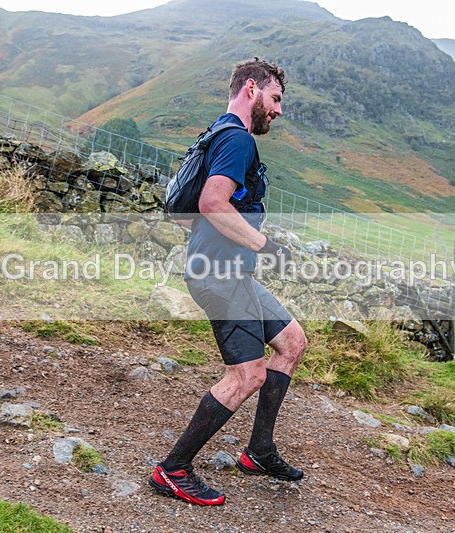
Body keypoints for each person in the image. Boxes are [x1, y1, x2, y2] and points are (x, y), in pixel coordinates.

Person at [148, 58, 308, 506]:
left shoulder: (216, 133)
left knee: (292, 342)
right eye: (275, 99)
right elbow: (213, 203)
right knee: (246, 375)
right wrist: (264, 245)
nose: (278, 110)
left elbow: (189, 212)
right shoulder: (237, 139)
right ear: (251, 89)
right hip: (220, 276)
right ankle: (173, 469)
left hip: (231, 271)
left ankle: (259, 452)